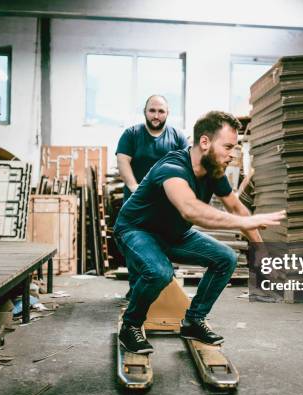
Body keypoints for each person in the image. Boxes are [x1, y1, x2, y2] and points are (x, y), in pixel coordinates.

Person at [114, 110, 286, 354]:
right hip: (136, 231)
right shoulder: (172, 167)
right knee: (159, 271)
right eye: (228, 147)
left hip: (173, 234)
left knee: (225, 258)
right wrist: (247, 222)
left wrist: (262, 255)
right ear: (204, 142)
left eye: (235, 148)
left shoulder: (213, 171)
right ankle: (130, 326)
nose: (232, 154)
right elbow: (190, 210)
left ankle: (194, 320)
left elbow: (237, 209)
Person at [116, 94, 189, 203]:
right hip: (136, 201)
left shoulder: (178, 137)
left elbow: (187, 166)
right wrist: (134, 187)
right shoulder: (131, 134)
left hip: (168, 202)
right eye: (152, 110)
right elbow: (122, 161)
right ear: (144, 111)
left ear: (167, 113)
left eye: (161, 111)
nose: (156, 116)